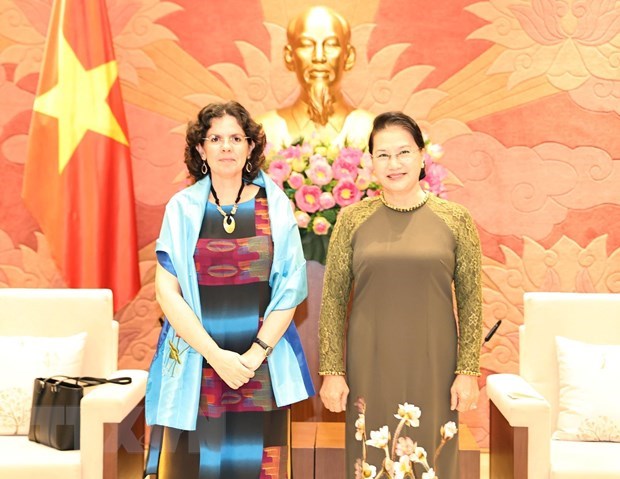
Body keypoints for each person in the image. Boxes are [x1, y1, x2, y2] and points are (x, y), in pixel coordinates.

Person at [145, 101, 314, 479]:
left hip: (260, 364)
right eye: (215, 138)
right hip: (194, 360)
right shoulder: (182, 208)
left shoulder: (276, 205)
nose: (226, 147)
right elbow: (166, 292)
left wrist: (254, 355)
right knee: (191, 467)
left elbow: (291, 290)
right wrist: (215, 355)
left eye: (236, 138)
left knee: (257, 467)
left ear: (250, 147)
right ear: (201, 150)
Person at [318, 111, 482, 478]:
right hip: (369, 363)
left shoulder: (456, 219)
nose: (394, 164)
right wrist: (332, 371)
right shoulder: (351, 219)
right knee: (370, 461)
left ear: (422, 157)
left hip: (435, 365)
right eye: (383, 155)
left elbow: (472, 301)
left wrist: (468, 370)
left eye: (404, 152)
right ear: (370, 163)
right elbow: (332, 301)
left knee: (432, 462)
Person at [257, 5, 374, 148]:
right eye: (306, 45)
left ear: (348, 56)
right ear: (289, 56)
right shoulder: (265, 131)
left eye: (331, 45)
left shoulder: (372, 130)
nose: (319, 57)